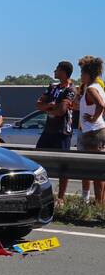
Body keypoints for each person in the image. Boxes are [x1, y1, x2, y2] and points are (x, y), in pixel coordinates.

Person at [35, 61, 77, 198]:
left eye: (57, 70)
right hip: (48, 131)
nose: (54, 71)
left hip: (62, 132)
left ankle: (61, 197)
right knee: (38, 160)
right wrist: (50, 106)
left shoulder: (71, 89)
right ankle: (39, 193)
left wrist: (50, 107)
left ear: (64, 72)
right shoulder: (52, 87)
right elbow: (38, 104)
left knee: (62, 166)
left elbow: (61, 111)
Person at [77, 57, 105, 204]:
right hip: (97, 131)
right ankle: (99, 203)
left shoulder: (92, 88)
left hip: (93, 133)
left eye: (82, 73)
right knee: (97, 171)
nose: (81, 76)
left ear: (88, 74)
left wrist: (94, 118)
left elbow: (101, 105)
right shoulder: (98, 86)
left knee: (95, 171)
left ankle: (99, 203)